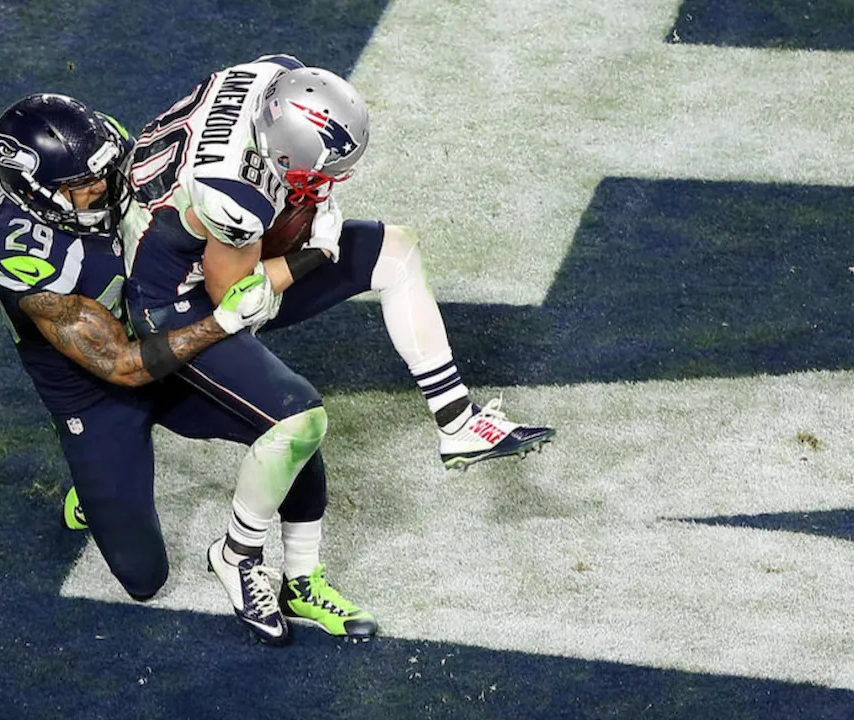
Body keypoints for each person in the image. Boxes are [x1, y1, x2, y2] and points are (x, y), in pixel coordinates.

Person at [119, 56, 555, 644]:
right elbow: (238, 298)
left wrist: (315, 210)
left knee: (395, 251)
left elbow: (294, 187)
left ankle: (456, 424)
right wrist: (314, 252)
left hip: (220, 243)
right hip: (179, 301)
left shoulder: (277, 76)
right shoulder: (233, 192)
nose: (331, 184)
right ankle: (236, 556)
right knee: (297, 419)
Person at [0, 93, 280, 609]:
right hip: (96, 394)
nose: (103, 184)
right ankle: (94, 491)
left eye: (102, 169)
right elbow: (120, 367)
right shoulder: (17, 251)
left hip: (160, 326)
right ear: (35, 192)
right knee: (144, 579)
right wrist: (222, 321)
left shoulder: (104, 152)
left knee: (287, 423)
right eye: (80, 185)